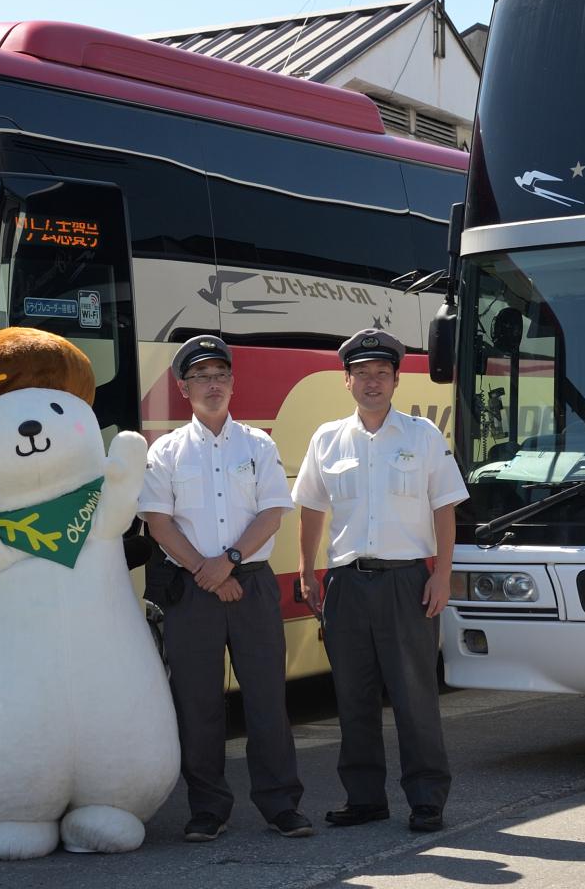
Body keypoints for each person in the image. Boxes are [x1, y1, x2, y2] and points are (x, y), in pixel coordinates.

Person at [139, 335, 312, 843]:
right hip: (194, 590)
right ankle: (208, 809)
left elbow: (273, 512)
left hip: (250, 585)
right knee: (198, 703)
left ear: (232, 383)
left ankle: (282, 805)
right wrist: (207, 572)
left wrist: (230, 562)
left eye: (220, 376)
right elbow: (158, 523)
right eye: (201, 378)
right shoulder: (165, 451)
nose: (212, 386)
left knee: (267, 700)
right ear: (182, 388)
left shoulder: (258, 444)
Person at [293, 327, 467, 834]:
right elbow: (311, 507)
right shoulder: (327, 438)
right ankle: (365, 797)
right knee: (352, 695)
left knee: (414, 696)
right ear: (346, 382)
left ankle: (427, 798)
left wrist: (441, 574)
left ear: (396, 381)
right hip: (347, 583)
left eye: (382, 374)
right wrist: (307, 570)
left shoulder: (423, 436)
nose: (372, 382)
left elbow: (445, 508)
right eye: (362, 374)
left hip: (407, 582)